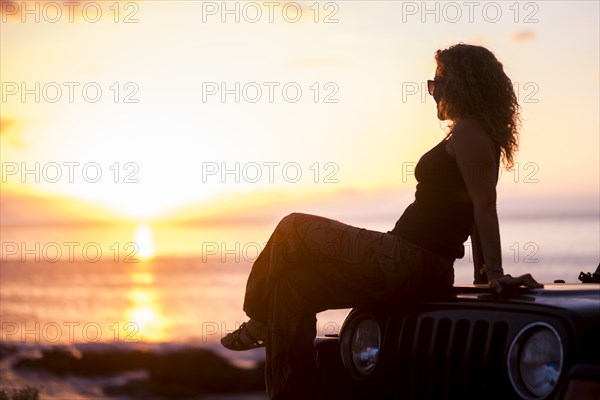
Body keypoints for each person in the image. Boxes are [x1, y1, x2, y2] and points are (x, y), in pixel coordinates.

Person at [220, 43, 543, 399]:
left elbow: (484, 205)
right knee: (292, 289)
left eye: (438, 83)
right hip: (408, 262)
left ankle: (258, 319)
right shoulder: (469, 134)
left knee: (292, 226)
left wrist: (494, 272)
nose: (432, 92)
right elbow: (470, 212)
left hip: (406, 259)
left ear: (463, 84)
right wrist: (484, 275)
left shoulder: (470, 133)